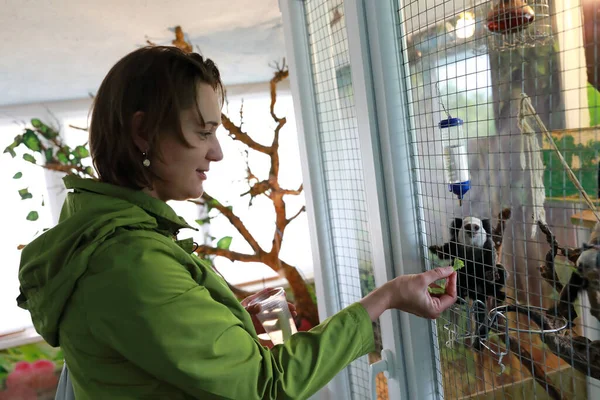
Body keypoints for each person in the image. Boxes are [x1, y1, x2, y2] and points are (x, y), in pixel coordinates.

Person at [17, 46, 457, 400]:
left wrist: (222, 322)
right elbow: (266, 386)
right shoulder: (128, 260)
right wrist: (386, 297)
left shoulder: (96, 235)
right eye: (204, 132)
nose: (217, 153)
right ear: (143, 133)